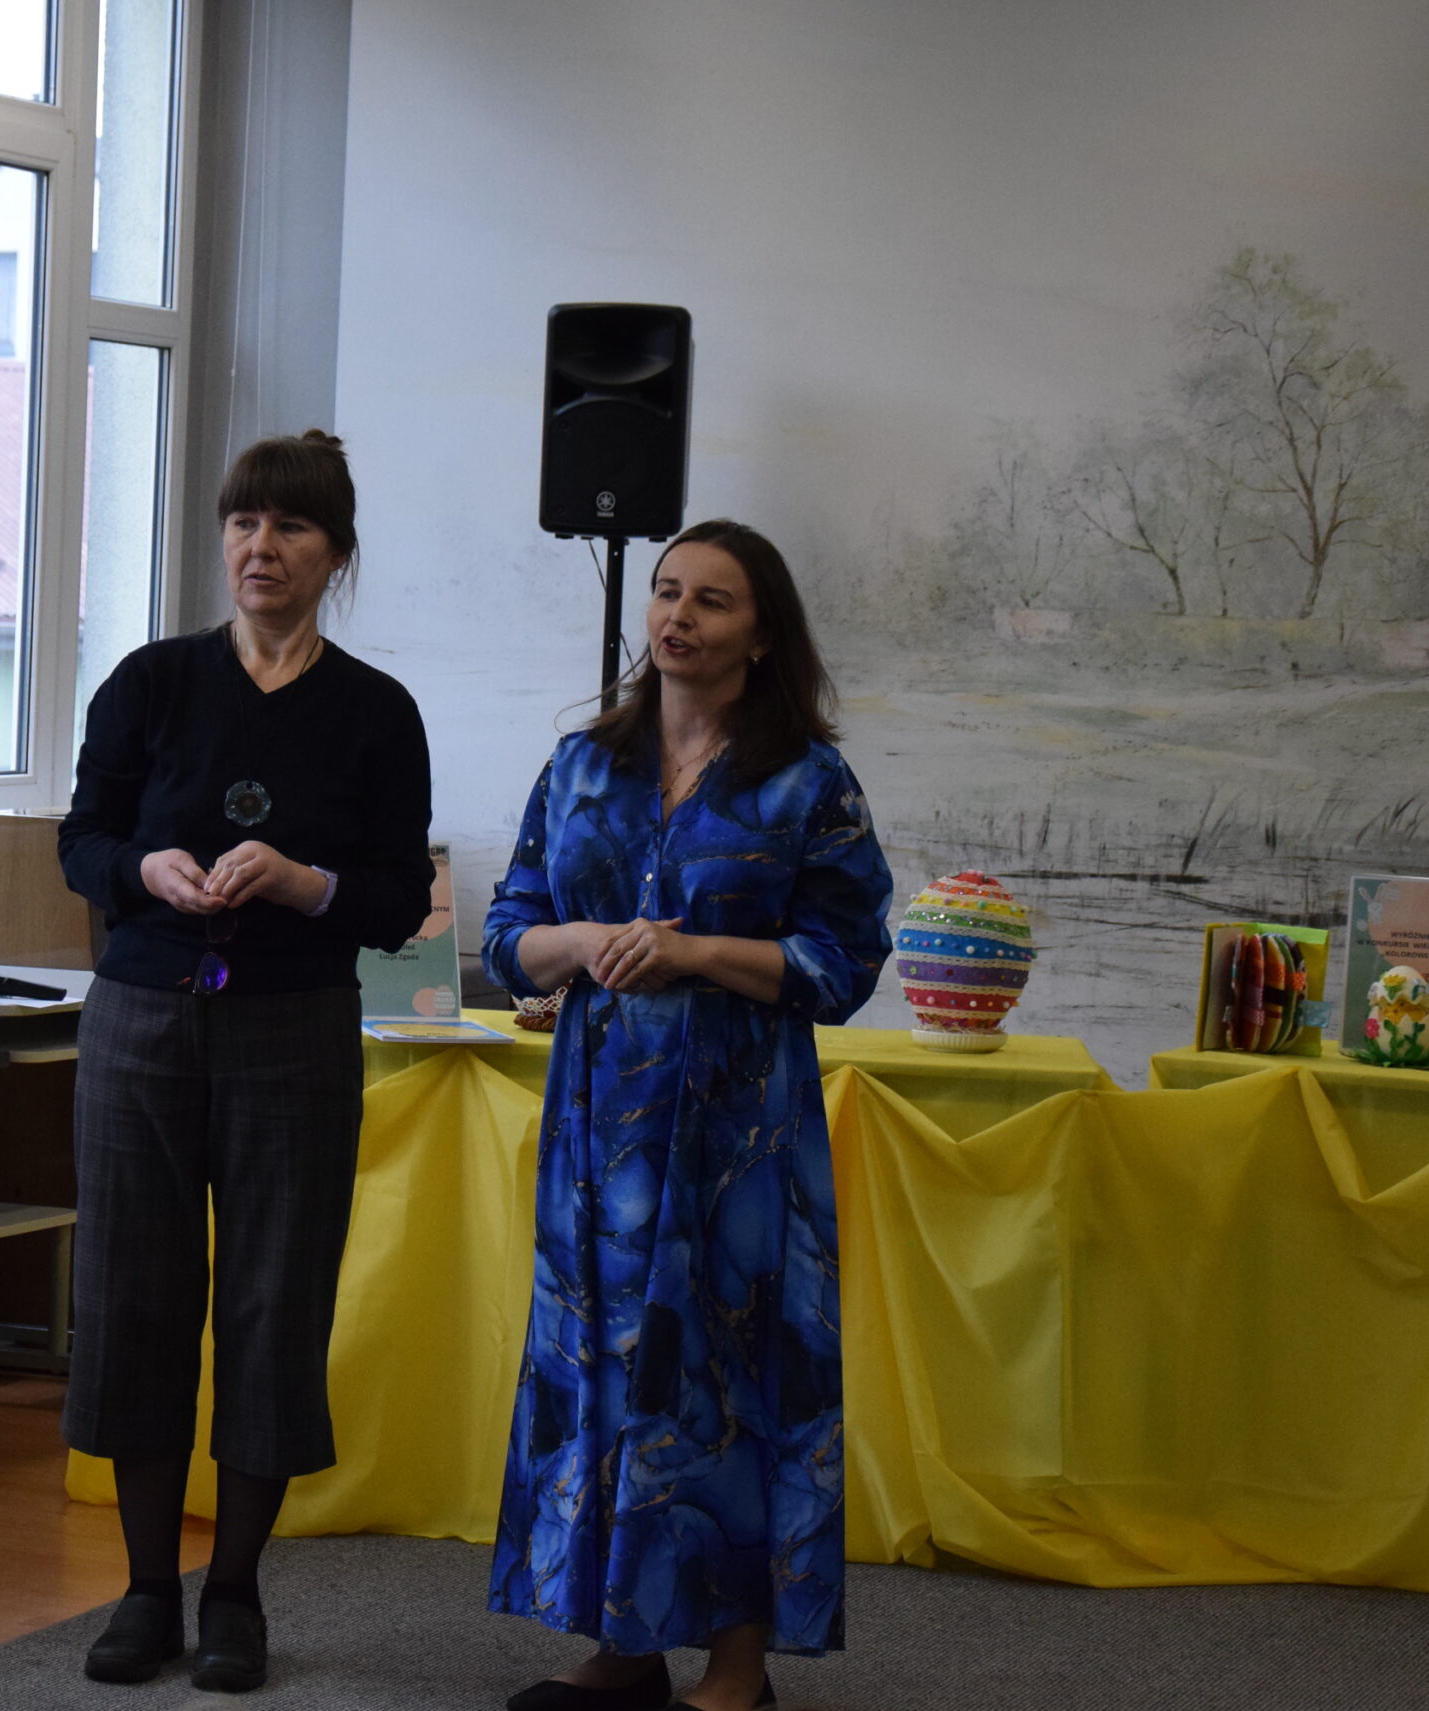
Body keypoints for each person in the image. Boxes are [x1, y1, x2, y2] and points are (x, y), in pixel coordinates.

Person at [481, 520, 894, 1711]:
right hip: (597, 1126)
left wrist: (695, 951)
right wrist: (582, 943)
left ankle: (736, 1669)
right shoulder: (580, 766)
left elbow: (844, 962)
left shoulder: (807, 781)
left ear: (761, 634)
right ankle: (622, 1650)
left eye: (712, 599)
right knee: (603, 1363)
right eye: (666, 591)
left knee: (727, 1373)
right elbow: (509, 935)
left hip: (737, 1130)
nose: (677, 614)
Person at [56, 431, 435, 1693]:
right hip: (140, 1019)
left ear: (335, 553)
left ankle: (235, 1592)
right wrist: (142, 868)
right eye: (242, 523)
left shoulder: (376, 711)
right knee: (132, 1296)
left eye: (290, 527)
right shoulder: (151, 681)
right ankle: (143, 1588)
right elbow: (82, 837)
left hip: (295, 1026)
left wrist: (299, 880)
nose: (260, 548)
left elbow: (395, 896)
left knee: (275, 1303)